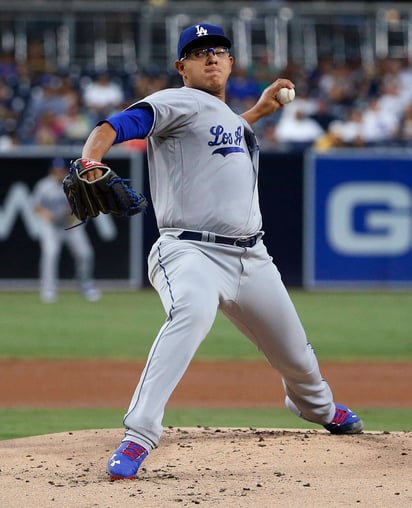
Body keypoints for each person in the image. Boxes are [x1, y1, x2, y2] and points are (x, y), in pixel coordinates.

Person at [79, 23, 364, 480]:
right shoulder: (176, 100)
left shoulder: (226, 117)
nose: (210, 56)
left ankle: (318, 408)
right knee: (191, 312)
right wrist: (92, 158)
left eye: (218, 50)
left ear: (231, 62)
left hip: (253, 259)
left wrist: (257, 112)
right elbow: (118, 124)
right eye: (198, 52)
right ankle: (139, 434)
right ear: (182, 67)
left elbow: (220, 135)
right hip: (189, 253)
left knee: (297, 358)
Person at [32, 157, 101, 303]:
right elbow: (36, 207)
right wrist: (46, 214)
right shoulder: (43, 186)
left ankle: (85, 285)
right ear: (51, 171)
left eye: (61, 170)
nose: (59, 173)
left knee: (85, 253)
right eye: (56, 170)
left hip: (70, 225)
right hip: (51, 226)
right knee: (51, 253)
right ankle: (48, 289)